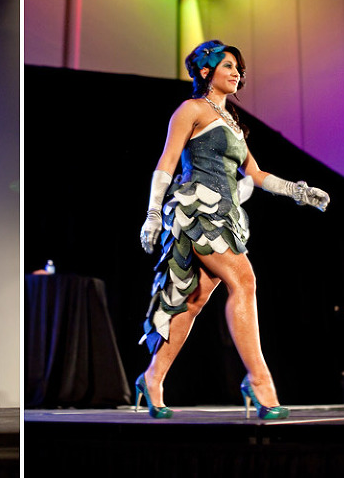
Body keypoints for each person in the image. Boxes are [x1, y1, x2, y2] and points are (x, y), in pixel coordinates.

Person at [136, 40, 329, 420]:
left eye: (239, 68)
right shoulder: (191, 109)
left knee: (194, 301)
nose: (236, 72)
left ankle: (152, 377)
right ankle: (259, 380)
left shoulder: (233, 124)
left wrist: (299, 192)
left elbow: (254, 174)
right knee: (245, 280)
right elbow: (167, 161)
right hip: (198, 213)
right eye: (228, 65)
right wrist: (153, 213)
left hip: (226, 218)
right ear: (205, 71)